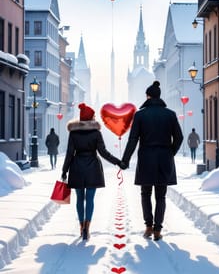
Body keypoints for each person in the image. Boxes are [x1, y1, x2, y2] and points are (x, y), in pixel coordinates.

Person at [119, 81, 183, 241]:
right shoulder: (170, 114)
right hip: (164, 159)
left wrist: (125, 160)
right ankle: (158, 230)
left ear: (148, 96)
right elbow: (179, 138)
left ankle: (148, 226)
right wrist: (170, 152)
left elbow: (133, 140)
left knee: (145, 193)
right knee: (161, 196)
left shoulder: (140, 115)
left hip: (146, 158)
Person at [61, 102, 121, 240]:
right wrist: (118, 162)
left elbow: (69, 153)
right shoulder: (96, 133)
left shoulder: (73, 134)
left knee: (79, 199)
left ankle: (81, 226)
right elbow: (103, 152)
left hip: (76, 167)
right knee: (90, 199)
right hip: (93, 167)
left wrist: (64, 170)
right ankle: (87, 227)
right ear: (91, 118)